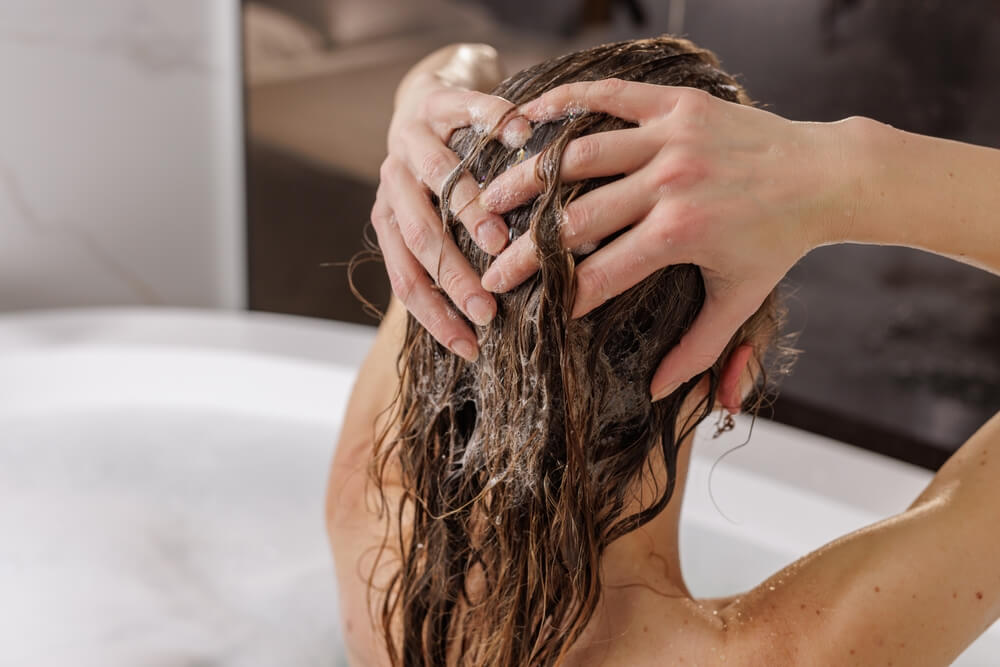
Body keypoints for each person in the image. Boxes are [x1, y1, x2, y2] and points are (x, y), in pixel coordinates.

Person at [327, 36, 1000, 666]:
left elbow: (458, 75)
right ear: (740, 373)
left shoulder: (371, 538)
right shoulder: (789, 650)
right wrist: (837, 167)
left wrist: (426, 113)